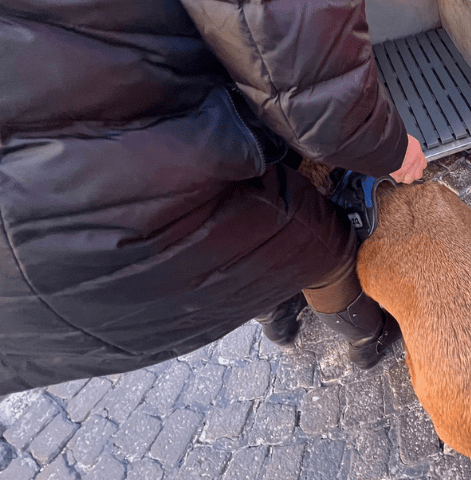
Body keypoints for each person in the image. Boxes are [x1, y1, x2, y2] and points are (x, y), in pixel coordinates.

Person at [0, 0, 426, 394]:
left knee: (239, 259)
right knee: (322, 247)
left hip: (28, 313)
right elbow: (293, 52)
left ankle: (279, 321)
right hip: (141, 188)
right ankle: (368, 341)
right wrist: (385, 146)